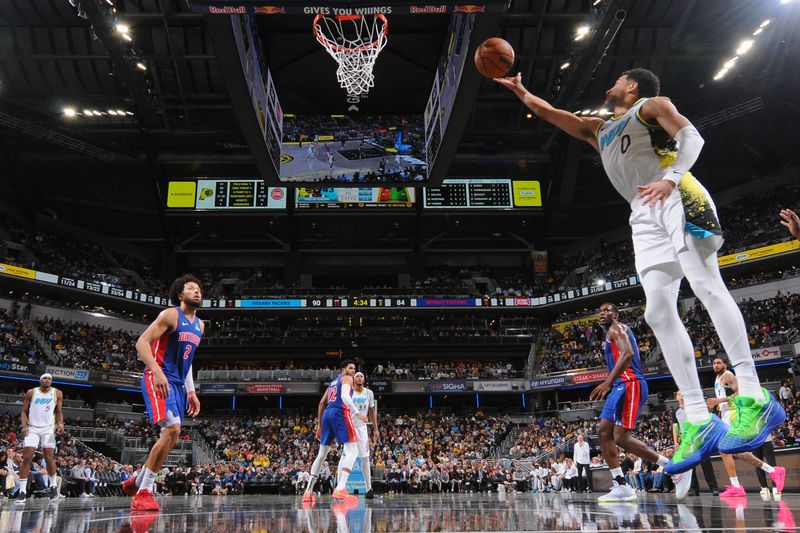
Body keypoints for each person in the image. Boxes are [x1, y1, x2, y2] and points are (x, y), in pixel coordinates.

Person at [496, 68, 786, 475]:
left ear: (632, 86)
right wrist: (522, 90)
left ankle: (755, 396)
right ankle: (700, 420)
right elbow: (550, 113)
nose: (608, 86)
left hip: (675, 192)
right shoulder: (599, 129)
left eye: (616, 80)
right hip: (643, 213)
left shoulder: (651, 107)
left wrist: (670, 179)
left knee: (705, 284)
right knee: (656, 312)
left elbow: (692, 137)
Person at [589, 303, 689, 502]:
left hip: (630, 383)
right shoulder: (610, 333)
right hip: (620, 385)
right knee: (603, 431)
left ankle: (674, 468)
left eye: (607, 310)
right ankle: (621, 485)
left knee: (621, 438)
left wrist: (608, 382)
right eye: (599, 311)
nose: (602, 313)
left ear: (616, 314)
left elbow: (628, 354)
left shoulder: (618, 328)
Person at [121, 275, 204, 511]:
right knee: (172, 430)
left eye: (199, 289)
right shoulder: (170, 314)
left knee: (173, 436)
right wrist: (157, 372)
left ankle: (136, 483)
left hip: (178, 383)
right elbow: (142, 343)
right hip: (158, 378)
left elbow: (187, 360)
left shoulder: (200, 325)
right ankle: (144, 491)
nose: (197, 292)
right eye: (191, 288)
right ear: (180, 294)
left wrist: (191, 391)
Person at [706, 357, 785, 498]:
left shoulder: (728, 375)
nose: (716, 365)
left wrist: (718, 401)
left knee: (725, 449)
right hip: (726, 415)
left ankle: (737, 486)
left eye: (719, 362)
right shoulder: (718, 379)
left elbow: (740, 392)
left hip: (734, 414)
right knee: (732, 451)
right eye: (714, 363)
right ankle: (772, 471)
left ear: (725, 364)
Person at [302, 360, 362, 505]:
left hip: (327, 414)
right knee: (353, 450)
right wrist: (357, 412)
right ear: (344, 369)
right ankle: (341, 487)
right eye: (350, 368)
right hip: (340, 413)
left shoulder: (333, 383)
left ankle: (308, 492)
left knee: (322, 454)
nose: (353, 371)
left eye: (354, 368)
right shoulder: (346, 378)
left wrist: (319, 425)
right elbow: (345, 398)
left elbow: (321, 403)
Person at [15, 373, 63, 504]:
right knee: (27, 457)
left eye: (49, 378)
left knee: (48, 457)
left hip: (48, 429)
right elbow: (24, 411)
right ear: (40, 380)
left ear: (51, 381)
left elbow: (58, 412)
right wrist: (24, 426)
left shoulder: (57, 393)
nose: (47, 380)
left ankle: (53, 486)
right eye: (44, 378)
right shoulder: (31, 392)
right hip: (32, 428)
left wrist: (61, 424)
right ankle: (22, 492)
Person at [673, 391, 719, 496]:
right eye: (679, 394)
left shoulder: (693, 408)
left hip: (699, 440)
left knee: (706, 464)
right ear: (676, 397)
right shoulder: (676, 412)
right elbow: (675, 427)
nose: (682, 396)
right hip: (686, 442)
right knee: (690, 468)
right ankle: (694, 489)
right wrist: (676, 442)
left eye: (683, 394)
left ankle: (714, 488)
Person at [351, 372, 381, 499]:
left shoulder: (369, 393)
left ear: (364, 379)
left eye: (361, 376)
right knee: (347, 457)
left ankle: (369, 489)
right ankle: (339, 489)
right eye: (357, 376)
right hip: (350, 427)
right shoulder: (349, 392)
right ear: (353, 379)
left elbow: (372, 411)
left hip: (362, 427)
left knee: (365, 458)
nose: (359, 377)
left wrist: (376, 429)